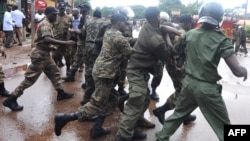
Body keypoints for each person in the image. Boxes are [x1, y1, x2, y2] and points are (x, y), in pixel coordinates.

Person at [155, 2, 247, 141]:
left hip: (189, 84)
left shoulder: (190, 34)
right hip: (207, 89)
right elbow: (237, 71)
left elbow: (175, 51)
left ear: (202, 15)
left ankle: (161, 137)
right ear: (219, 17)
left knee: (178, 114)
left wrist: (167, 36)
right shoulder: (221, 39)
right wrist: (244, 70)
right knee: (225, 127)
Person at [54, 13, 134, 139]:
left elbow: (125, 41)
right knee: (97, 103)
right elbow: (130, 53)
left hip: (102, 70)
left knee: (112, 99)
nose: (127, 25)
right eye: (125, 23)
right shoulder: (119, 38)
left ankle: (97, 128)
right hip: (105, 73)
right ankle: (65, 118)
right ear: (119, 22)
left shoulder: (109, 32)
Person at [114, 7, 179, 141]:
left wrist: (175, 31)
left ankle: (136, 123)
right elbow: (169, 54)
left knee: (144, 99)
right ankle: (123, 135)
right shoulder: (156, 40)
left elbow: (161, 28)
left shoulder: (148, 25)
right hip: (136, 70)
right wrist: (168, 37)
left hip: (140, 69)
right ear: (157, 17)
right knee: (136, 101)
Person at [2, 6, 76, 112]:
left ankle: (61, 93)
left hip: (45, 54)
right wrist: (66, 43)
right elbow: (47, 38)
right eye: (53, 14)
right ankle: (11, 99)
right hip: (40, 56)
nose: (56, 16)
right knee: (30, 79)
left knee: (54, 74)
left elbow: (42, 41)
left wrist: (52, 47)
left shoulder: (49, 23)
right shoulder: (46, 23)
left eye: (56, 14)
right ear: (48, 14)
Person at [153, 14, 197, 125]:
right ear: (187, 23)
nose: (191, 25)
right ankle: (161, 110)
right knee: (184, 91)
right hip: (179, 67)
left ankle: (185, 116)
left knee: (181, 89)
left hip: (172, 65)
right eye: (191, 23)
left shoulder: (174, 29)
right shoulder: (182, 34)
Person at [62, 4, 90, 82]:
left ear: (87, 9)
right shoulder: (83, 17)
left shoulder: (88, 18)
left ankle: (88, 82)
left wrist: (75, 30)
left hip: (86, 43)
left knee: (88, 62)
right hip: (81, 41)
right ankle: (71, 76)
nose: (80, 9)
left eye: (82, 8)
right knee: (76, 59)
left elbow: (85, 31)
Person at [52, 2, 72, 71]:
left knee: (67, 56)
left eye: (63, 8)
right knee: (54, 55)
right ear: (58, 8)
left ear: (65, 9)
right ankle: (54, 70)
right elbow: (51, 27)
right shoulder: (54, 17)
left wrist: (69, 32)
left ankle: (68, 69)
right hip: (56, 40)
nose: (62, 10)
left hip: (66, 40)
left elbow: (72, 27)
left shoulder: (69, 17)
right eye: (60, 8)